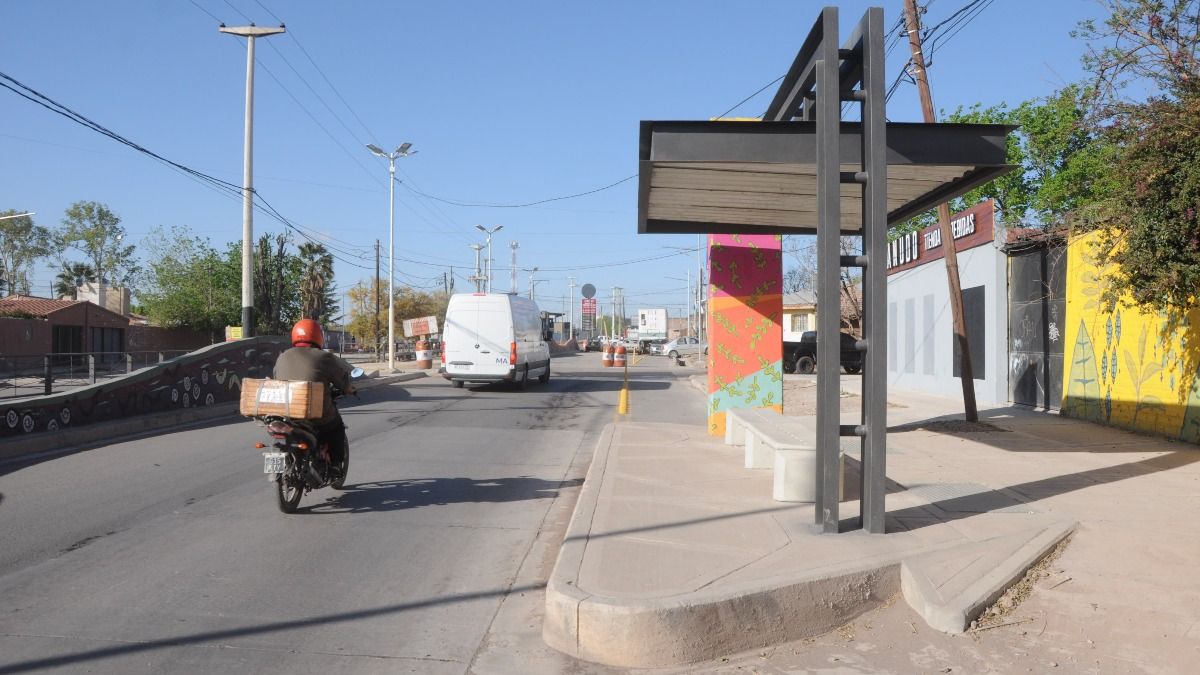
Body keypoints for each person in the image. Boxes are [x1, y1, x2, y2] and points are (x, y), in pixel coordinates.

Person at [273, 319, 356, 474]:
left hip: (285, 412)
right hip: (313, 414)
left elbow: (275, 377)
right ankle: (337, 466)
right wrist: (348, 389)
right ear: (318, 336)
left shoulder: (282, 356)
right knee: (336, 427)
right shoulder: (324, 357)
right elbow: (341, 380)